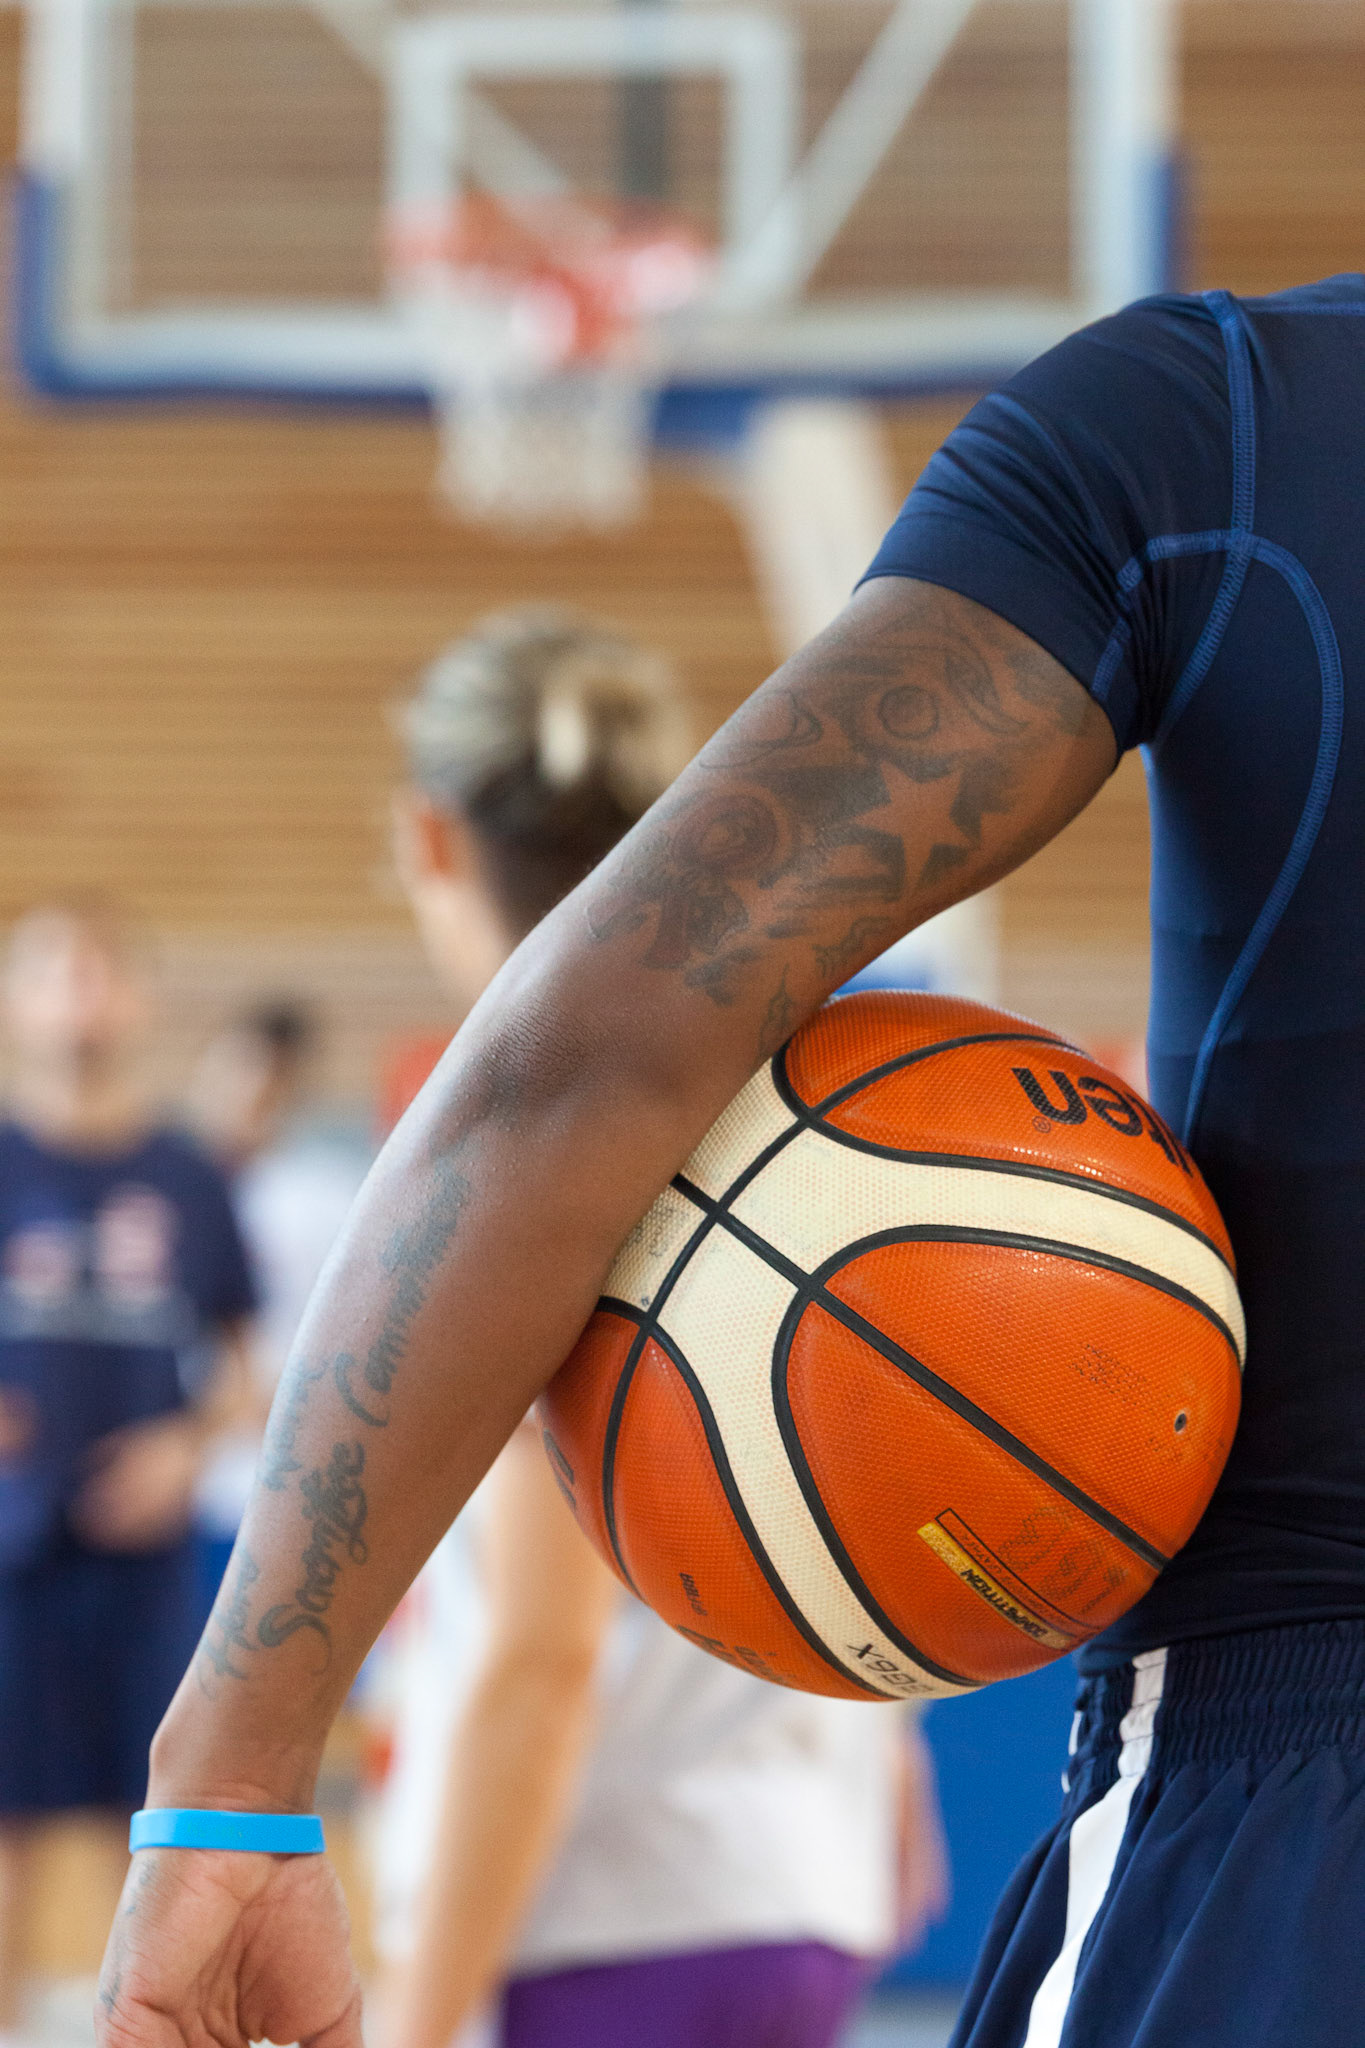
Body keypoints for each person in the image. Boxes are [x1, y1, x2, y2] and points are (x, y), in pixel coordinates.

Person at [96, 273, 1365, 2048]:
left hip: (1293, 1791)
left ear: (429, 837)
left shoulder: (1235, 419)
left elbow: (586, 1057)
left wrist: (228, 1778)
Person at [364, 609, 946, 2048]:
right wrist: (892, 1764)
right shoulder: (778, 1098)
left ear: (426, 840)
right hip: (789, 1876)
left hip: (598, 1924)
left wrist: (416, 2021)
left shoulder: (525, 1156)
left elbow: (546, 1659)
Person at [0, 901, 257, 2048]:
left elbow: (255, 1376)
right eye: (54, 972)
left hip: (147, 1560)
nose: (81, 994)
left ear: (139, 998)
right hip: (12, 1551)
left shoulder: (186, 1173)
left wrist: (182, 1444)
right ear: (15, 1001)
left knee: (145, 1833)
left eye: (101, 970)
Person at [187, 1003, 370, 1596]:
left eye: (266, 1079)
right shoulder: (171, 1192)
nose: (247, 1094)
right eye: (235, 1072)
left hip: (278, 1478)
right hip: (182, 1481)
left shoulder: (325, 1200)